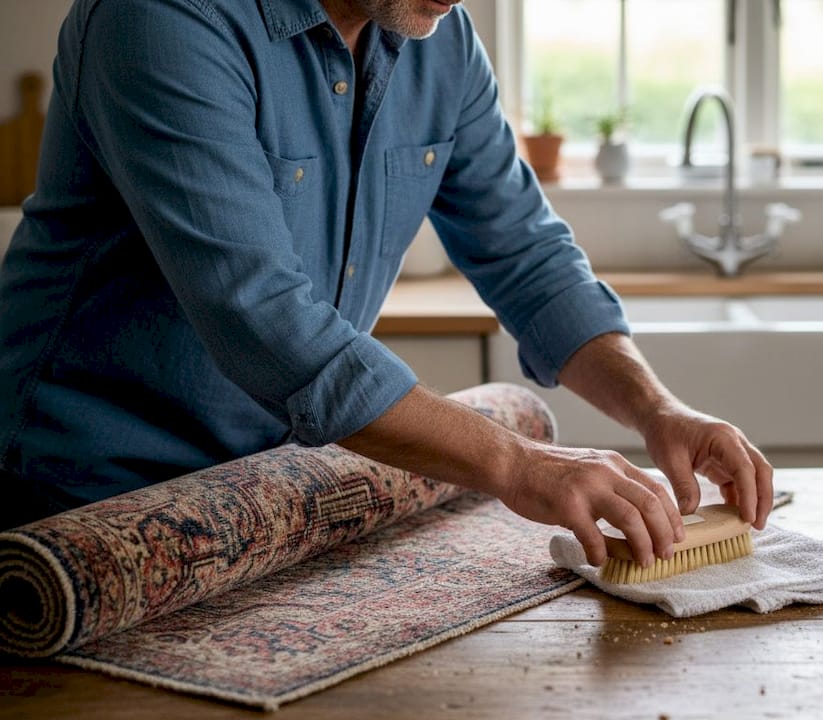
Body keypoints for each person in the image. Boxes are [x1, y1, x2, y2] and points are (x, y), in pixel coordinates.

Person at [0, 0, 774, 568]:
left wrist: (657, 408)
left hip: (259, 502)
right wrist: (520, 464)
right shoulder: (161, 19)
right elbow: (271, 326)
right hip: (71, 511)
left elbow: (530, 260)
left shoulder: (441, 40)